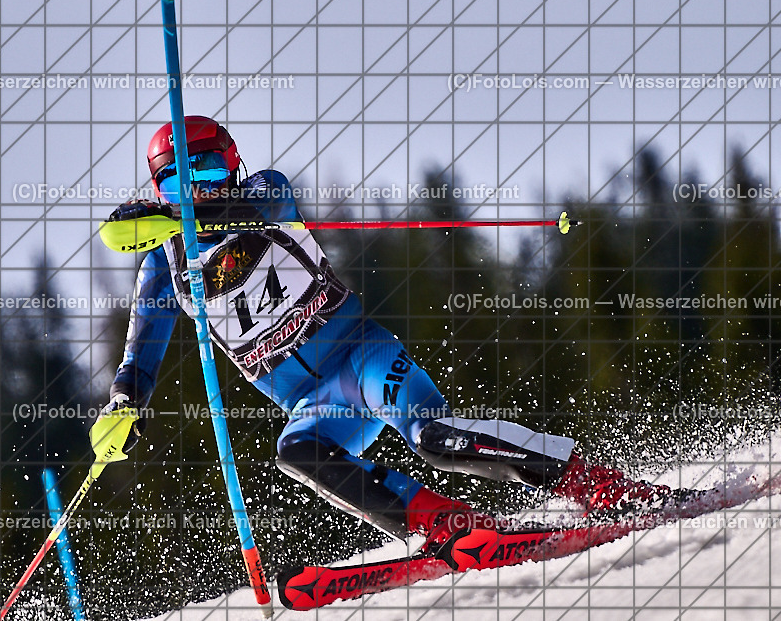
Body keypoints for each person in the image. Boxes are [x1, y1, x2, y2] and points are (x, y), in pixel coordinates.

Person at [97, 115, 680, 546]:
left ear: (234, 165)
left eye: (209, 169)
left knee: (436, 439)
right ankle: (443, 524)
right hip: (309, 400)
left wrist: (178, 213)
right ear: (158, 192)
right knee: (296, 451)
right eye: (178, 182)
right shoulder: (165, 265)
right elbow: (141, 352)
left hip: (360, 356)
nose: (199, 188)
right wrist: (125, 400)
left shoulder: (265, 193)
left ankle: (594, 483)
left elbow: (255, 207)